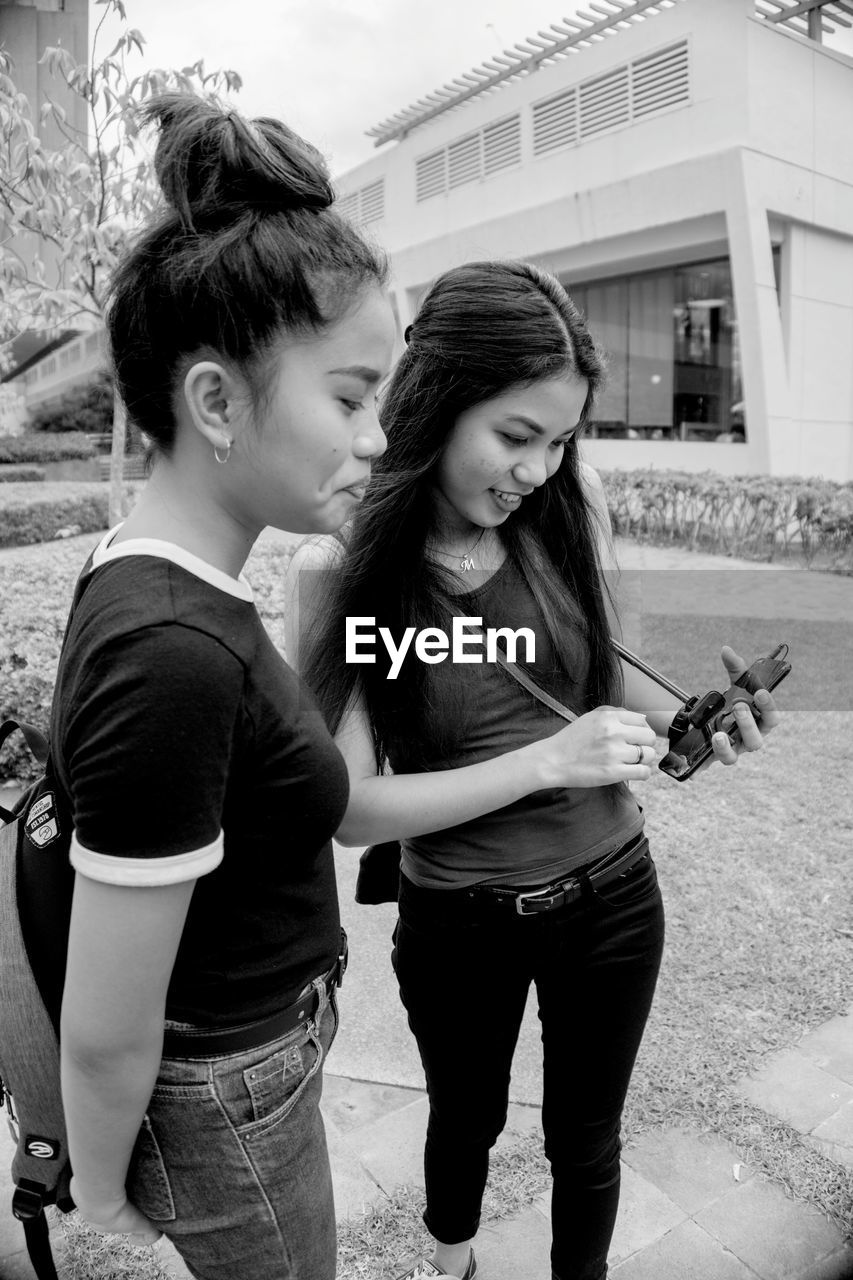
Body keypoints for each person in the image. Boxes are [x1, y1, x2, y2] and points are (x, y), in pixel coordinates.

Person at [287, 260, 780, 1280]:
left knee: (585, 1140)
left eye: (558, 440)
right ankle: (453, 1261)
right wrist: (545, 758)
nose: (537, 469)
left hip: (612, 899)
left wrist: (697, 721)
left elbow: (596, 667)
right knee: (463, 1119)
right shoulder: (346, 568)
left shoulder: (567, 504)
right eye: (515, 437)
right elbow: (353, 807)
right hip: (458, 920)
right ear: (435, 403)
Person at [53, 92, 395, 1280]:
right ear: (214, 400)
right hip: (229, 1097)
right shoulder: (173, 653)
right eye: (350, 398)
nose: (378, 438)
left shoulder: (176, 583)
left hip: (257, 1060)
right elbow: (104, 1027)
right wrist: (99, 1191)